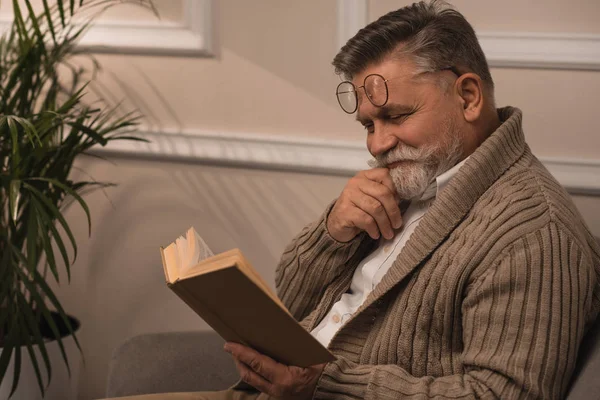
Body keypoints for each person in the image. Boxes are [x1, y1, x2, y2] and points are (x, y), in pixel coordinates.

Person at [108, 1, 600, 399]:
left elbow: (499, 394)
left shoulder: (534, 232)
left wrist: (323, 383)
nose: (376, 145)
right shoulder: (413, 177)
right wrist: (333, 232)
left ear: (468, 96)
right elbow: (294, 302)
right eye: (368, 124)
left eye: (396, 116)